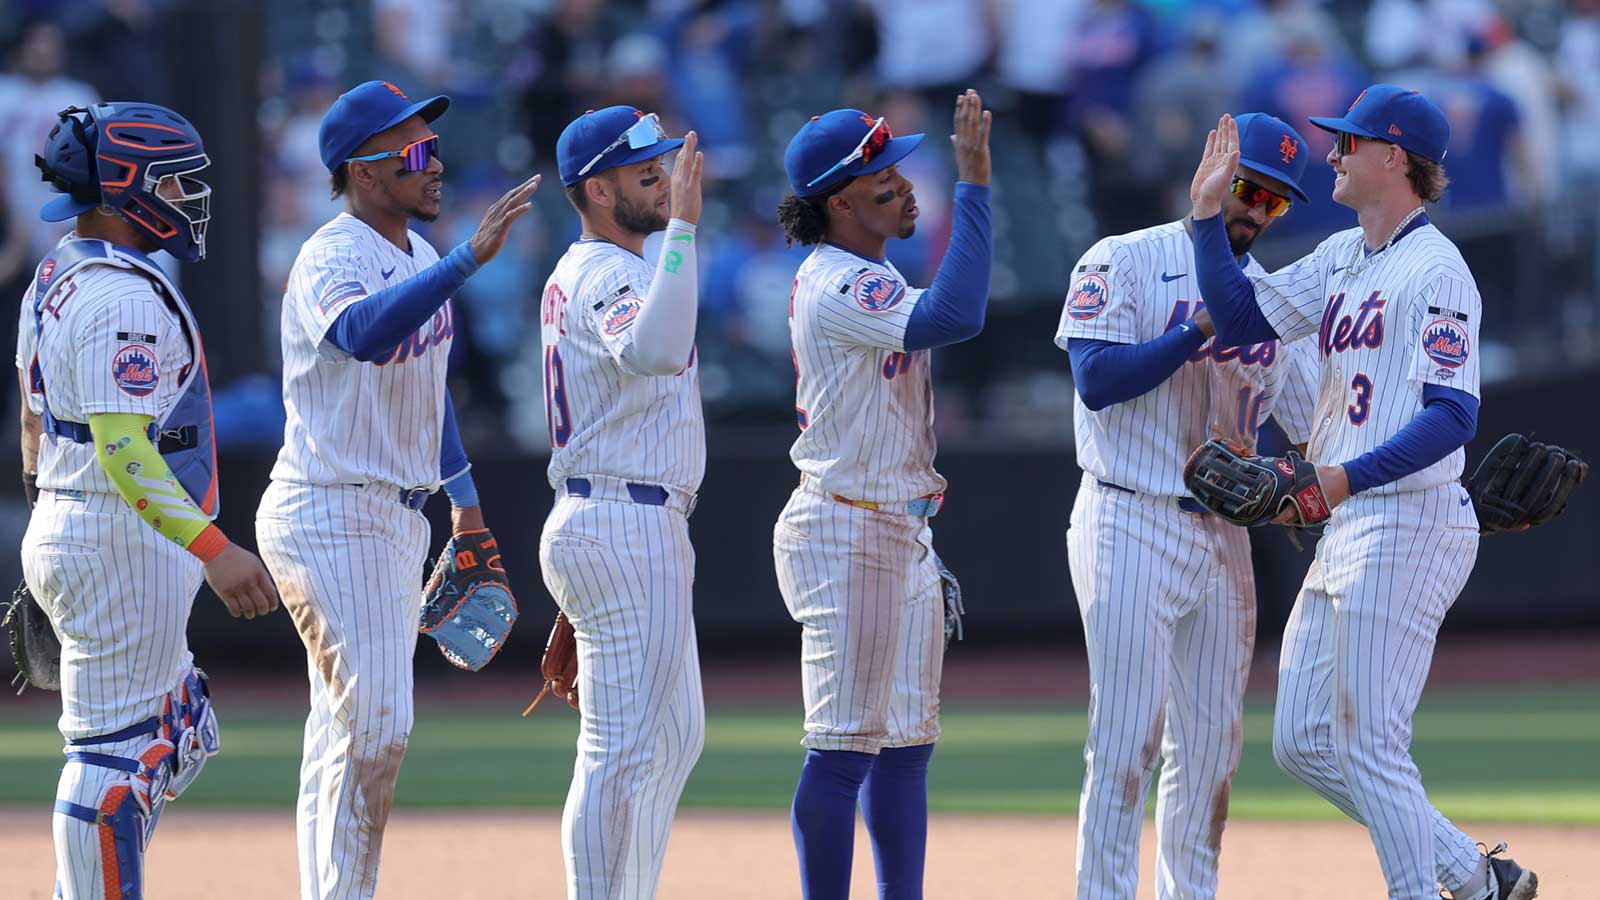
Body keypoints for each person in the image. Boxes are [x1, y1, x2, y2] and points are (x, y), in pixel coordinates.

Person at [1188, 89, 1538, 900]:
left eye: (1350, 141)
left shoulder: (1436, 269)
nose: (1334, 153)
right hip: (1352, 520)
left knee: (1369, 740)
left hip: (1405, 516)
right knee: (1304, 740)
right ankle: (1473, 878)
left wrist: (1336, 478)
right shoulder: (1346, 254)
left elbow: (1454, 414)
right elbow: (1238, 317)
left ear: (1395, 157)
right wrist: (1209, 219)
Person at [254, 80, 538, 900]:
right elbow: (365, 336)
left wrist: (467, 505)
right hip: (329, 506)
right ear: (364, 171)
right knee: (377, 722)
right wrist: (465, 262)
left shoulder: (414, 255)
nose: (436, 163)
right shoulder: (331, 253)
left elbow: (429, 389)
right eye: (415, 151)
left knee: (344, 727)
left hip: (397, 515)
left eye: (433, 146)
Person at [1055, 112, 1321, 900]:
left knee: (1210, 748)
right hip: (1128, 512)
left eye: (1274, 202)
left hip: (1223, 540)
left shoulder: (1276, 302)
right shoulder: (1125, 260)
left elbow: (1314, 435)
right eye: (1246, 188)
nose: (1254, 210)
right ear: (1210, 171)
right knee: (1127, 738)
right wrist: (1198, 329)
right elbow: (1096, 382)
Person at [18, 101, 279, 899]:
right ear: (126, 186)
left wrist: (47, 518)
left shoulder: (60, 271)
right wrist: (215, 549)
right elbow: (125, 449)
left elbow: (31, 422)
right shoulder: (119, 298)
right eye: (176, 181)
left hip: (83, 517)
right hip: (113, 529)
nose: (192, 197)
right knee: (113, 758)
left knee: (173, 730)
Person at [773, 90, 992, 900]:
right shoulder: (836, 280)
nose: (904, 183)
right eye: (883, 177)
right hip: (847, 524)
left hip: (895, 524)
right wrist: (974, 187)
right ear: (838, 203)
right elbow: (958, 313)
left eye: (900, 168)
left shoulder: (872, 269)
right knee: (841, 753)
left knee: (906, 746)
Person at [537, 105, 706, 899]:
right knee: (622, 746)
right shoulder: (608, 270)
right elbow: (656, 349)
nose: (665, 183)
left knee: (674, 736)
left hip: (627, 513)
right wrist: (686, 237)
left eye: (663, 167)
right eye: (646, 173)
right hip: (618, 513)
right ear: (598, 190)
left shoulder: (618, 266)